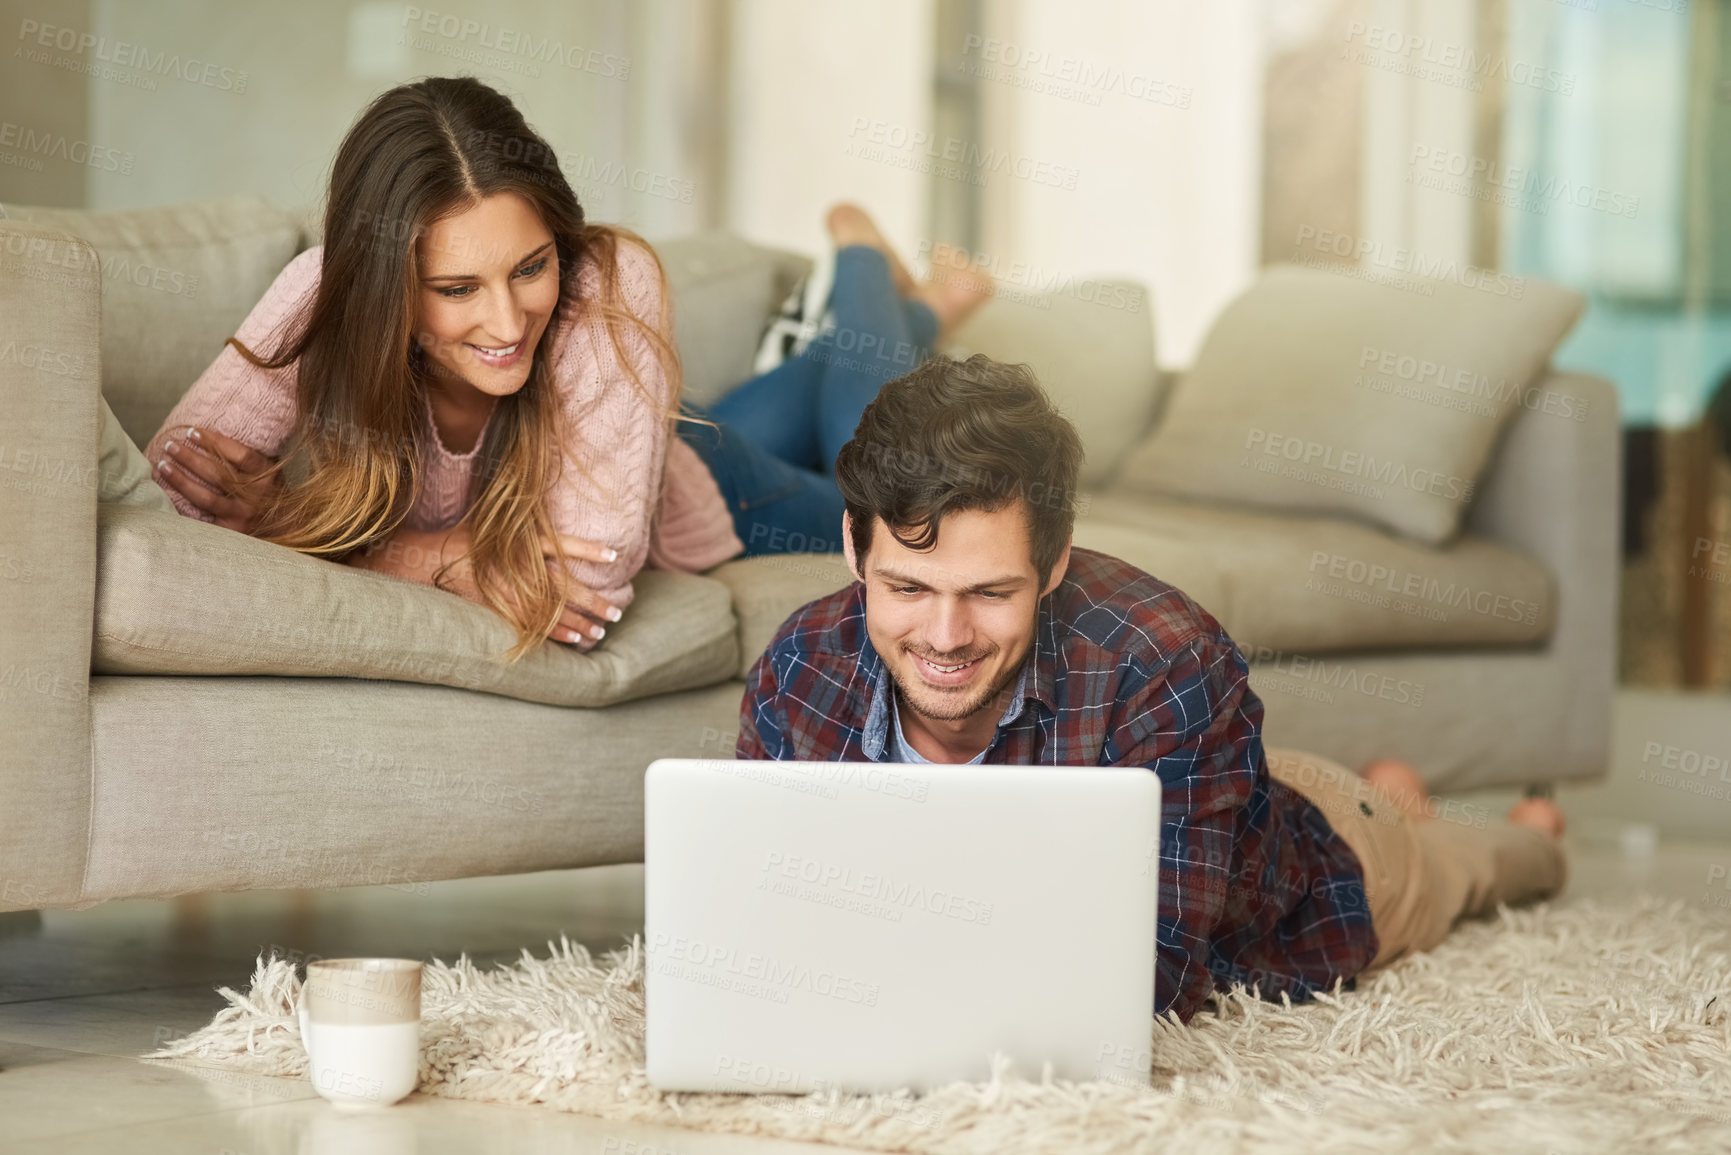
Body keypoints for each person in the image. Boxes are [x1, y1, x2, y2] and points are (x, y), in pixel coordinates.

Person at [736, 353, 1568, 1023]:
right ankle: (1395, 793)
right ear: (853, 545)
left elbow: (1151, 984)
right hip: (1217, 783)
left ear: (1054, 560)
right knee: (1337, 793)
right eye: (908, 589)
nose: (945, 638)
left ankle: (1507, 827)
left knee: (1469, 863)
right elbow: (756, 922)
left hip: (1322, 875)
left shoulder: (1168, 661)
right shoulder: (799, 665)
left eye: (990, 593)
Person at [146, 75, 741, 657]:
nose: (509, 326)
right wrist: (467, 560)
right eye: (458, 290)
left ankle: (841, 265)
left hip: (723, 472)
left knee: (830, 431)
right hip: (651, 418)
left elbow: (588, 577)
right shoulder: (323, 294)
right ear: (385, 288)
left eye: (531, 268)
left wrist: (292, 527)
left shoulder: (608, 281)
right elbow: (169, 505)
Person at [677, 205, 992, 557]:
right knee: (884, 503)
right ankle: (891, 285)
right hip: (682, 464)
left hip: (674, 447)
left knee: (882, 497)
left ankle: (892, 285)